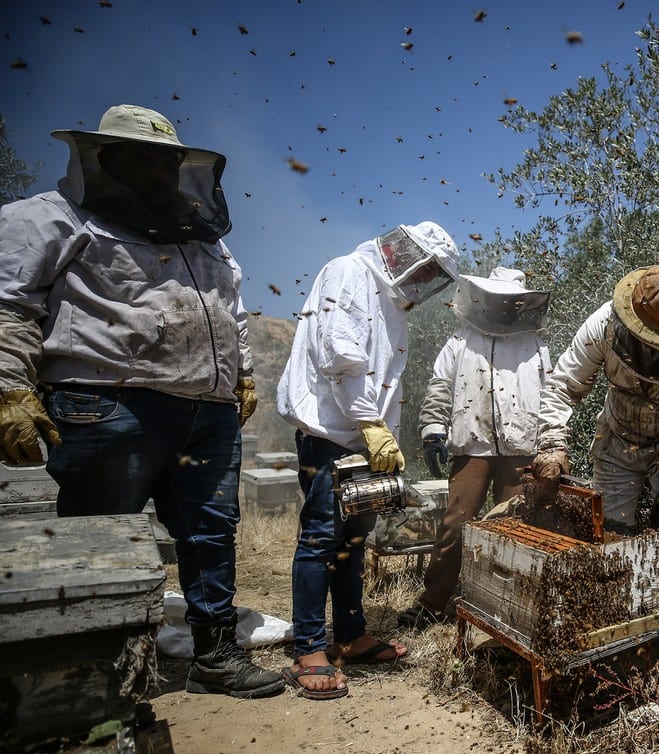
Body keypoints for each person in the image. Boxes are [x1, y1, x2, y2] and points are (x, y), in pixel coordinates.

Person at [0, 104, 280, 698]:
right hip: (107, 403)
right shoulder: (49, 219)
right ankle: (92, 679)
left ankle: (215, 657)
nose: (158, 170)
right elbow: (9, 305)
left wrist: (245, 375)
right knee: (98, 540)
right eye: (144, 156)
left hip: (207, 411)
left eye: (167, 159)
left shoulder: (204, 240)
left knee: (211, 533)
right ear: (104, 158)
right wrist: (10, 389)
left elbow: (231, 315)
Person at [531, 264, 659, 699]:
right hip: (619, 442)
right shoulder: (604, 322)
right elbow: (565, 383)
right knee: (613, 537)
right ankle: (617, 635)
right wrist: (550, 444)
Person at [276, 221, 459, 700]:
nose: (423, 283)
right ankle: (310, 649)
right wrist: (371, 425)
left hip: (361, 439)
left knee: (353, 542)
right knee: (320, 538)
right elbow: (339, 355)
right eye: (425, 270)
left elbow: (382, 378)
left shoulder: (390, 301)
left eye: (433, 276)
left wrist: (380, 432)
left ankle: (350, 636)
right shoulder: (348, 272)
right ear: (404, 253)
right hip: (330, 434)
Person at [397, 267, 552, 630]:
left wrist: (548, 444)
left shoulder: (535, 343)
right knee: (456, 525)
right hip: (472, 442)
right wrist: (433, 429)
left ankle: (509, 611)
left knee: (517, 529)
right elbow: (440, 385)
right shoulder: (462, 338)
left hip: (521, 446)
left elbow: (551, 397)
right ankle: (433, 603)